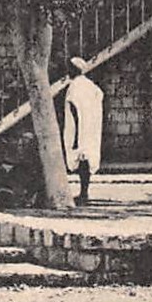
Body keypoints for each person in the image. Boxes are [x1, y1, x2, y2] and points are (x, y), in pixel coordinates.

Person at [65, 56, 104, 204]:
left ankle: (83, 193)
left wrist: (76, 132)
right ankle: (84, 192)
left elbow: (74, 108)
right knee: (86, 157)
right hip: (91, 126)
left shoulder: (76, 86)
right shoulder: (90, 85)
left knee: (81, 157)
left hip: (80, 127)